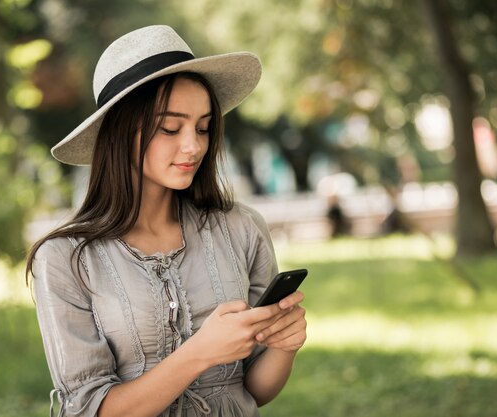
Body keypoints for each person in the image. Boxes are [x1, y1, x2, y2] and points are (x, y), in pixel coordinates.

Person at [25, 25, 307, 417]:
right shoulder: (64, 259)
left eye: (203, 127)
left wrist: (283, 345)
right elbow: (90, 409)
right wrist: (199, 353)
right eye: (170, 128)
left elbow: (254, 390)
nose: (193, 145)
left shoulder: (242, 229)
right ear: (120, 133)